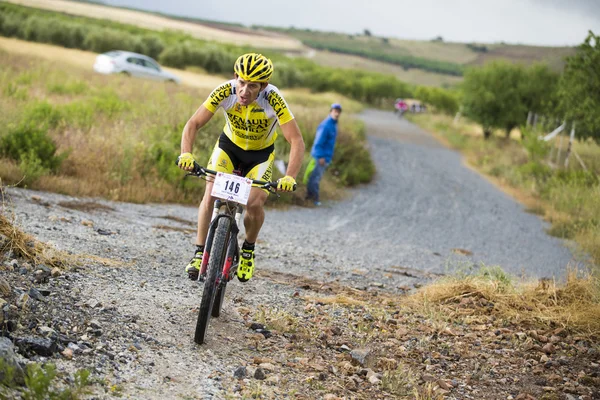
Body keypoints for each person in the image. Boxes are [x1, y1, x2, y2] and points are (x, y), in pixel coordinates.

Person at [177, 53, 305, 282]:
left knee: (254, 202)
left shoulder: (273, 99)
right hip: (229, 147)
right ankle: (199, 253)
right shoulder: (226, 91)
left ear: (263, 86)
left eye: (252, 86)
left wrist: (289, 176)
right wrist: (186, 153)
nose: (244, 90)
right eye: (241, 82)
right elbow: (193, 123)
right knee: (211, 193)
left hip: (260, 155)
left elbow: (296, 140)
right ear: (236, 77)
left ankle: (248, 249)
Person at [304, 103, 342, 206]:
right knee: (314, 178)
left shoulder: (333, 124)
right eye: (335, 111)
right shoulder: (326, 125)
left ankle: (309, 198)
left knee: (315, 177)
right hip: (320, 157)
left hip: (326, 157)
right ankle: (314, 199)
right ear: (331, 111)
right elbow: (318, 142)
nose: (337, 113)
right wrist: (320, 156)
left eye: (338, 111)